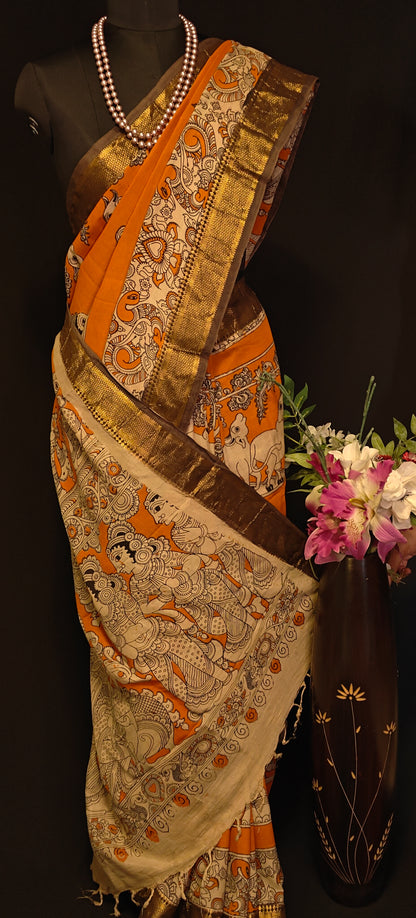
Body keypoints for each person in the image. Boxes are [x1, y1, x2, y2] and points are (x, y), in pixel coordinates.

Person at [16, 2, 321, 915]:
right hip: (108, 416)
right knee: (140, 655)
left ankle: (230, 865)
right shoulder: (43, 79)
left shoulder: (251, 82)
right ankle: (155, 860)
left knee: (229, 641)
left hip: (231, 398)